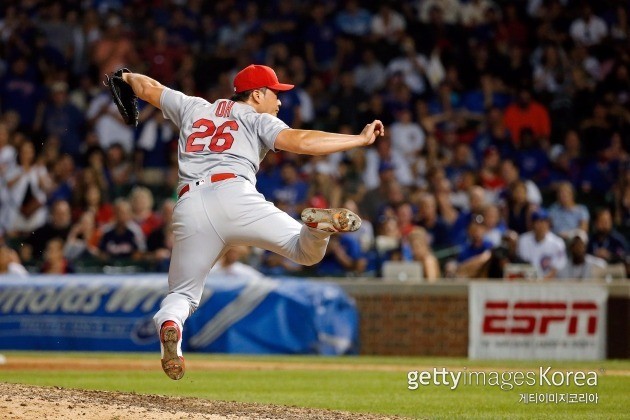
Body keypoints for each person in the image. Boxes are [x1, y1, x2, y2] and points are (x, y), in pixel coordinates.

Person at [118, 64, 383, 380]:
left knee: (183, 294)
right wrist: (357, 139)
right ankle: (315, 226)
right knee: (307, 252)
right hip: (235, 195)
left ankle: (170, 324)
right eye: (275, 93)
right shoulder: (256, 118)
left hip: (189, 203)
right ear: (257, 94)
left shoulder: (193, 106)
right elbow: (301, 141)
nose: (280, 102)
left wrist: (125, 77)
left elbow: (147, 88)